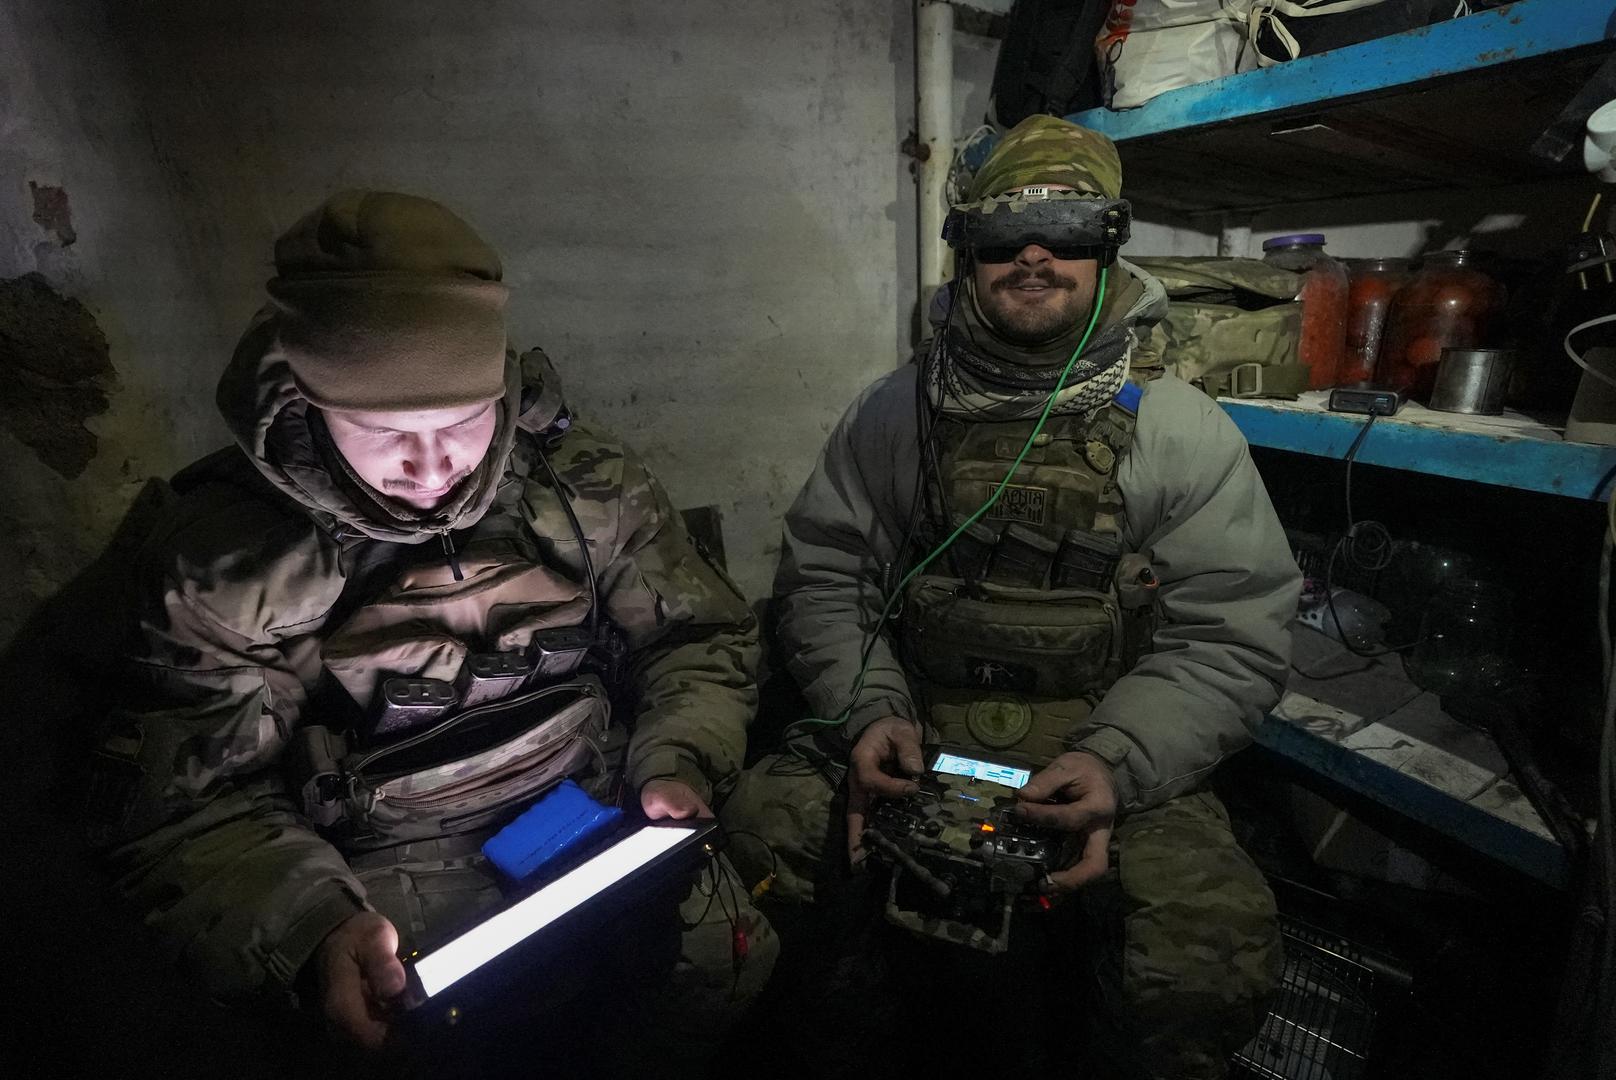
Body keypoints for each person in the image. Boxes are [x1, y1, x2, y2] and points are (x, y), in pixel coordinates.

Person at [84, 191, 775, 1072]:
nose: (432, 466)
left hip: (605, 811)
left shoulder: (582, 484)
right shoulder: (228, 568)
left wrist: (676, 760)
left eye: (460, 421)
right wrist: (315, 931)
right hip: (382, 882)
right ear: (307, 405)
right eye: (382, 432)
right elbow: (184, 813)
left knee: (715, 967)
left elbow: (699, 640)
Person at [722, 115, 1300, 1079]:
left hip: (1107, 739)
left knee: (1209, 948)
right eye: (1003, 233)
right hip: (916, 731)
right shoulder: (891, 412)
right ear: (968, 250)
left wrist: (1117, 762)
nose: (1035, 253)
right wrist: (866, 714)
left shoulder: (1182, 429)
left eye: (1069, 228)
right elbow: (826, 581)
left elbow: (1232, 637)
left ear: (1108, 242)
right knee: (761, 835)